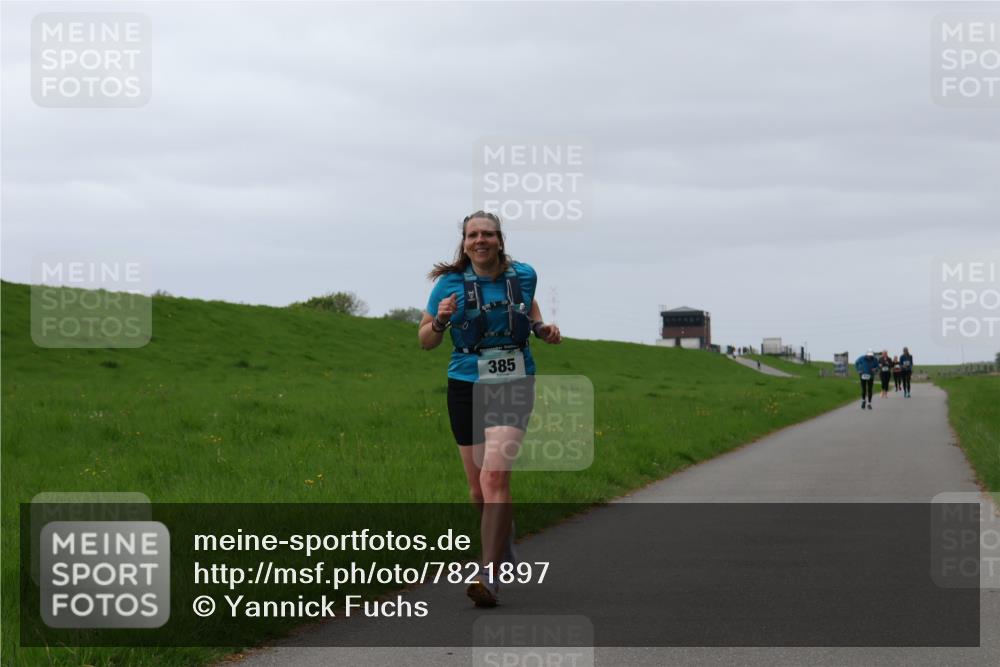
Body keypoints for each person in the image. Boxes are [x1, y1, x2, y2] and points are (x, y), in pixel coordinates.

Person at [420, 211, 562, 607]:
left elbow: (527, 304)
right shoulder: (448, 285)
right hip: (465, 384)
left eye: (487, 234)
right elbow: (425, 340)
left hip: (514, 382)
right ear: (464, 243)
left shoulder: (524, 274)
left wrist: (540, 328)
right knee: (478, 489)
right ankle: (503, 541)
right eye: (472, 235)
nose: (480, 240)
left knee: (495, 476)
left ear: (500, 240)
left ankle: (489, 574)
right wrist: (441, 322)